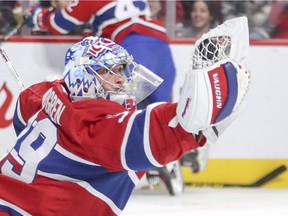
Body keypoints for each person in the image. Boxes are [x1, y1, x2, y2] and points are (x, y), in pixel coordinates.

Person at [0, 33, 249, 215]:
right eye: (111, 71)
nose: (122, 80)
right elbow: (155, 134)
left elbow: (24, 112)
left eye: (122, 70)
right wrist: (204, 107)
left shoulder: (44, 97)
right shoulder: (95, 130)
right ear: (83, 76)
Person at [27, 0, 175, 108]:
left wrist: (35, 15)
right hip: (161, 45)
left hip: (131, 46)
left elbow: (59, 23)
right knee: (161, 115)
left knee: (127, 115)